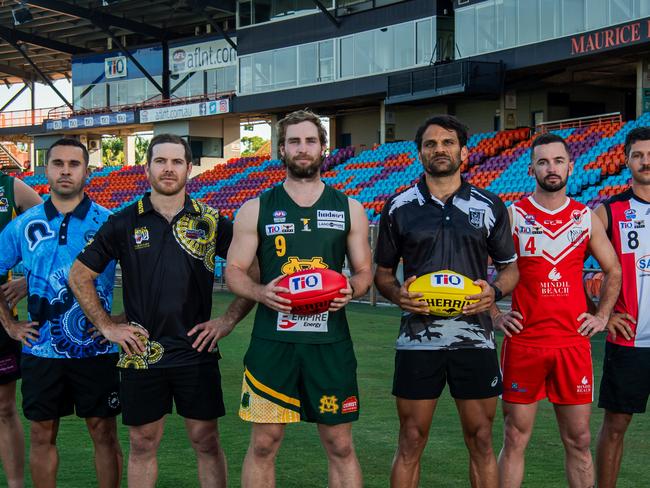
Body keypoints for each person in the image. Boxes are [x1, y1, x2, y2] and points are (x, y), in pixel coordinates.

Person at [69, 133, 255, 488]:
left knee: (206, 441)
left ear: (189, 168)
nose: (168, 169)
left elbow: (254, 273)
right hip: (142, 353)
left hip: (196, 351)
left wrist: (227, 320)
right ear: (147, 167)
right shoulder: (123, 222)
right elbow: (79, 276)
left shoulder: (212, 221)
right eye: (160, 161)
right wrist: (108, 327)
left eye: (176, 162)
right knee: (142, 443)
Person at [225, 109, 373, 488]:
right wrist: (260, 292)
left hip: (329, 344)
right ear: (281, 149)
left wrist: (350, 290)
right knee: (263, 444)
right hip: (273, 344)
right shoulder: (256, 208)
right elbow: (234, 271)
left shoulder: (349, 208)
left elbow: (364, 272)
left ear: (324, 148)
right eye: (294, 141)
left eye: (310, 141)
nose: (302, 149)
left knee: (340, 443)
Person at [374, 114, 519, 488]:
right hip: (418, 340)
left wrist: (494, 292)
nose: (440, 149)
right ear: (420, 153)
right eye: (431, 144)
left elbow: (510, 270)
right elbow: (384, 274)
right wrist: (398, 296)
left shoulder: (489, 205)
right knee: (410, 439)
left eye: (448, 142)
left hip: (475, 339)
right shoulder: (399, 206)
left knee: (482, 439)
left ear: (464, 152)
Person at [494, 133, 622, 488]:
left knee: (579, 441)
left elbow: (614, 269)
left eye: (558, 161)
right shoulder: (513, 215)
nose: (552, 168)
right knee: (515, 438)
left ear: (571, 166)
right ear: (531, 167)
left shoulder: (584, 218)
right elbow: (480, 270)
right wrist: (494, 315)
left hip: (572, 344)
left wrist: (602, 316)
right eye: (543, 162)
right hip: (524, 343)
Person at [0, 139, 123, 488]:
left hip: (96, 350)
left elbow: (148, 279)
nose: (65, 170)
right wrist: (9, 324)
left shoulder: (109, 223)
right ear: (47, 170)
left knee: (103, 432)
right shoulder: (25, 224)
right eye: (57, 163)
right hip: (40, 350)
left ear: (87, 170)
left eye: (73, 163)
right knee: (41, 434)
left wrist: (118, 321)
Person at [595, 127, 650, 487]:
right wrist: (604, 314)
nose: (646, 162)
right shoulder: (609, 211)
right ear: (626, 160)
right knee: (616, 425)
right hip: (631, 339)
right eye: (639, 155)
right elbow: (570, 265)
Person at [0, 172, 41, 487]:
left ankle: (15, 484)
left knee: (3, 408)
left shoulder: (9, 188)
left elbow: (48, 230)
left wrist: (29, 279)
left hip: (2, 317)